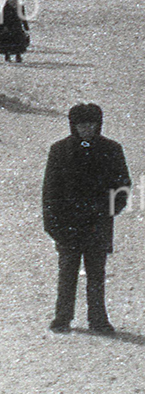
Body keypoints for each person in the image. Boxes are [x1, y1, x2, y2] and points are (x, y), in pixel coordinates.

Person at [43, 103, 130, 335]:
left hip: (97, 224)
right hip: (67, 225)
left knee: (96, 274)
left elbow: (123, 186)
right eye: (81, 125)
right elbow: (50, 191)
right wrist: (53, 224)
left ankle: (98, 319)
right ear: (74, 125)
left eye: (91, 124)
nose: (86, 129)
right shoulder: (59, 150)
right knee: (67, 273)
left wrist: (107, 211)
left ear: (98, 125)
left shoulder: (111, 150)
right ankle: (62, 317)